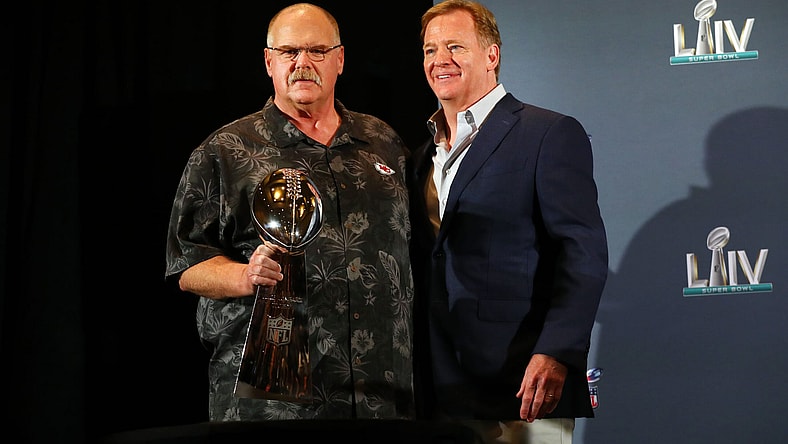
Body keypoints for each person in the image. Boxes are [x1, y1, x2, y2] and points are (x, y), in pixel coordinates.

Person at [165, 3, 415, 421]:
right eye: (289, 52)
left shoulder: (382, 142)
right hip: (275, 402)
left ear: (340, 60)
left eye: (317, 51)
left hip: (381, 394)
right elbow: (187, 265)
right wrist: (245, 276)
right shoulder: (225, 151)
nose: (303, 63)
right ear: (269, 61)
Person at [408, 1, 609, 443]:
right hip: (442, 390)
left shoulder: (548, 134)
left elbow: (583, 253)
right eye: (429, 50)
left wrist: (556, 351)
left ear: (491, 55)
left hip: (525, 386)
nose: (439, 60)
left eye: (455, 46)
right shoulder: (420, 155)